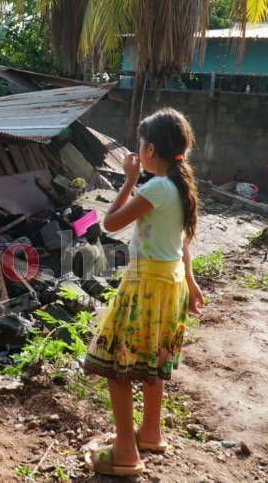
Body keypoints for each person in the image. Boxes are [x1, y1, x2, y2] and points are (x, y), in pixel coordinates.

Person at [84, 108, 205, 477]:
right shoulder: (182, 186)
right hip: (171, 284)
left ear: (150, 149)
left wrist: (128, 181)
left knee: (117, 365)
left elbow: (110, 222)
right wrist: (192, 281)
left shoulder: (156, 187)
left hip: (146, 285)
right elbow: (182, 243)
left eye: (140, 145)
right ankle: (149, 432)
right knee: (153, 359)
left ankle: (124, 453)